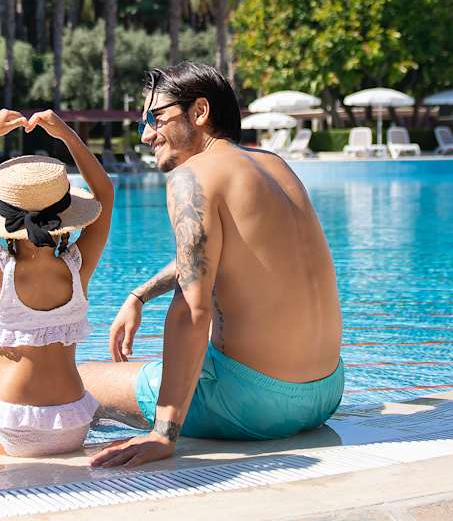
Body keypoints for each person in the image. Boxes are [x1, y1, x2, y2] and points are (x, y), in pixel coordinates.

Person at [80, 62, 344, 468]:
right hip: (325, 392)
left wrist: (163, 433)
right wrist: (140, 295)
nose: (147, 135)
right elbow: (214, 255)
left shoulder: (192, 176)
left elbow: (192, 309)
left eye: (155, 118)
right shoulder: (274, 165)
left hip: (255, 404)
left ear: (199, 111)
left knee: (74, 381)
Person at [0, 108, 115, 456]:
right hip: (73, 426)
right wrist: (66, 134)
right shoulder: (78, 267)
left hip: (16, 433)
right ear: (65, 215)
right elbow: (105, 193)